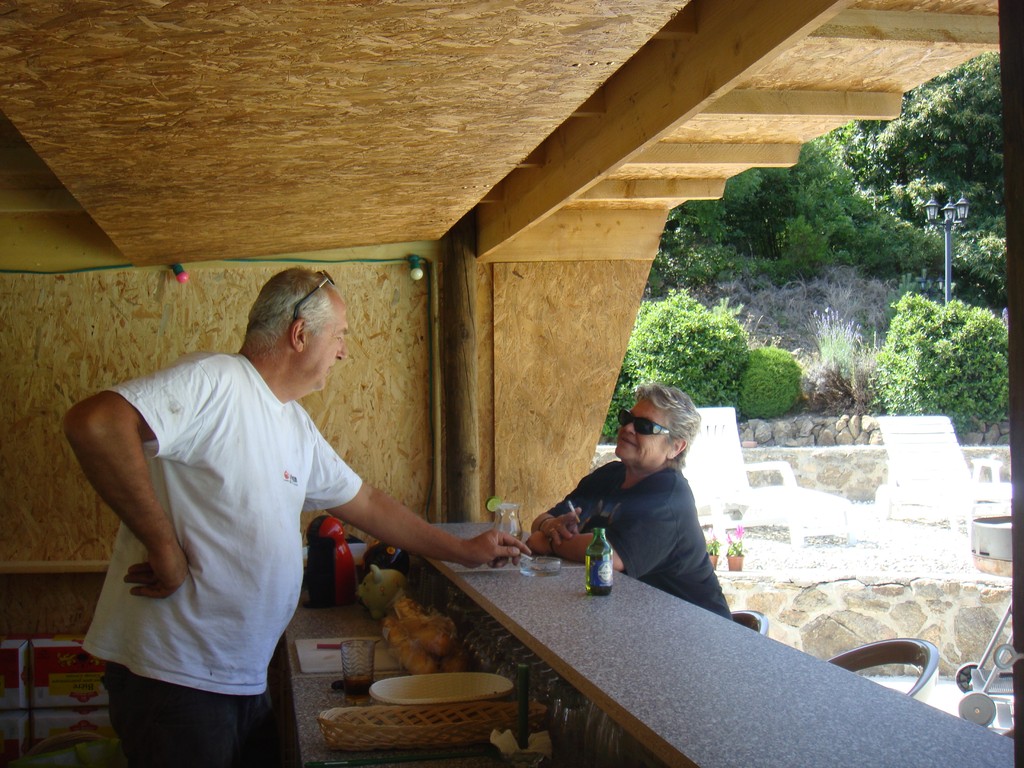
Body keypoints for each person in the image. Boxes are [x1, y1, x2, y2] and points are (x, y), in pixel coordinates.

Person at [62, 267, 529, 768]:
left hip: (240, 676)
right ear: (300, 334)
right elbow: (96, 424)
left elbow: (365, 502)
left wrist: (463, 549)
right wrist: (164, 548)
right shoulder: (217, 380)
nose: (345, 351)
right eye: (341, 336)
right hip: (178, 681)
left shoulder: (291, 421)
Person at [525, 382, 730, 620]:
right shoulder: (608, 475)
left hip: (696, 634)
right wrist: (549, 527)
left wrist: (548, 541)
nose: (629, 428)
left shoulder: (669, 498)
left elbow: (609, 557)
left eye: (644, 426)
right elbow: (541, 520)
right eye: (627, 418)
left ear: (676, 446)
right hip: (634, 620)